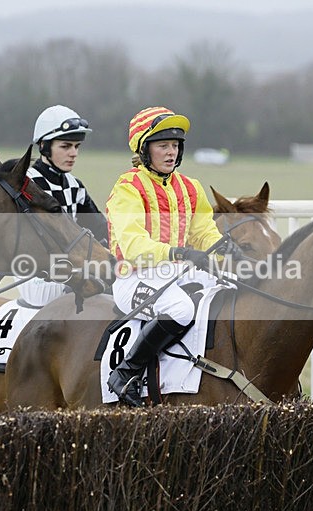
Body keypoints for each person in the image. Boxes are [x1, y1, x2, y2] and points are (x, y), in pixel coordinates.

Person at [105, 106, 240, 407]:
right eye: (163, 145)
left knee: (234, 287)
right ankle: (125, 373)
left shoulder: (190, 187)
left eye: (175, 145)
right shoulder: (128, 187)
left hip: (178, 273)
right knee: (180, 309)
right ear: (144, 149)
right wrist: (178, 252)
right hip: (134, 277)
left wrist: (223, 248)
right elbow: (133, 244)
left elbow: (203, 232)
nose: (171, 152)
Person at [15, 105, 108, 308]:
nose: (73, 153)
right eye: (65, 147)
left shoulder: (75, 186)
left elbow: (102, 230)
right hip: (35, 277)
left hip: (70, 269)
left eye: (76, 146)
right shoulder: (25, 185)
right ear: (44, 146)